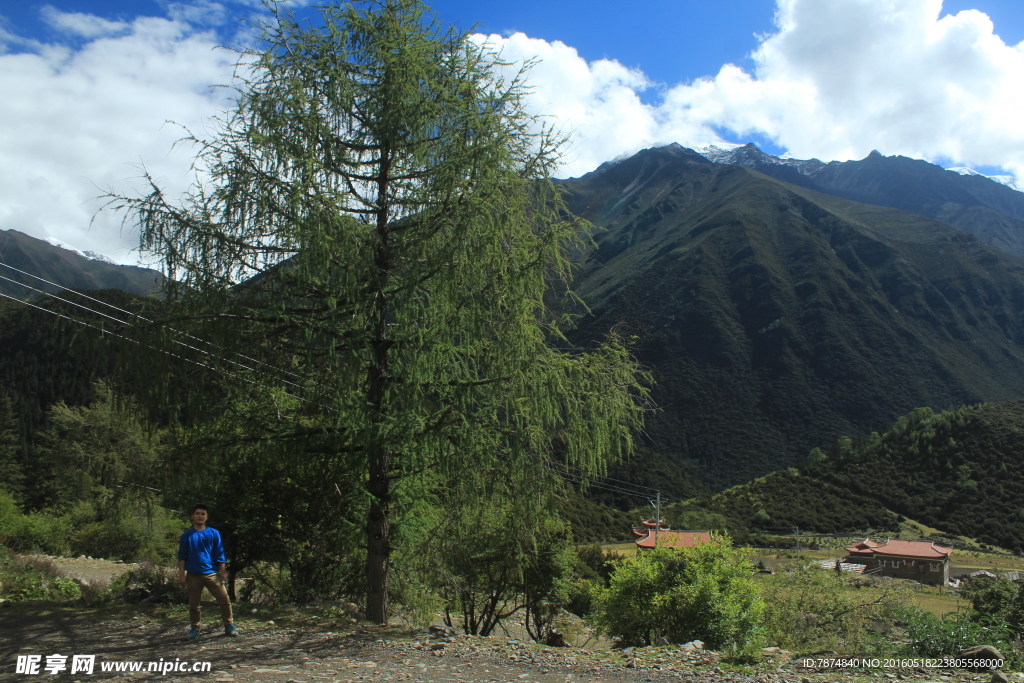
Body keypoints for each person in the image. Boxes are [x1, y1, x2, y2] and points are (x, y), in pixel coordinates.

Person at [177, 505, 237, 639]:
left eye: (203, 514)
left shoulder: (214, 533)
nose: (200, 516)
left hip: (212, 573)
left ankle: (229, 625)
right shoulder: (186, 536)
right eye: (197, 514)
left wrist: (223, 571)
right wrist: (182, 576)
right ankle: (195, 629)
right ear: (192, 516)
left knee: (224, 599)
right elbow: (182, 557)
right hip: (193, 575)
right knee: (194, 604)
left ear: (206, 516)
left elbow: (220, 553)